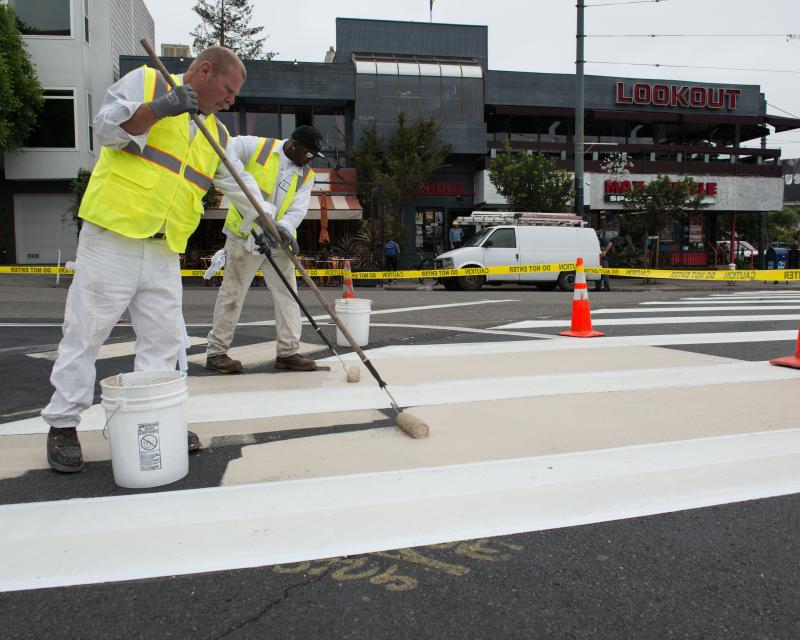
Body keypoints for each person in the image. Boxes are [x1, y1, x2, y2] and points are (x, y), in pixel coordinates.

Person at [42, 47, 277, 474]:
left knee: (164, 341)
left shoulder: (215, 135)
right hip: (112, 237)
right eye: (228, 89)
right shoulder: (148, 83)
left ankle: (151, 417)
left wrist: (272, 224)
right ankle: (62, 423)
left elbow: (240, 183)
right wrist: (159, 109)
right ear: (204, 71)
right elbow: (106, 129)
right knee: (85, 333)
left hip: (163, 247)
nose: (230, 100)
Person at [204, 126, 326, 374]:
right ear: (293, 146)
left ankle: (288, 352)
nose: (309, 160)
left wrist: (284, 228)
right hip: (244, 235)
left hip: (279, 240)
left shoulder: (306, 175)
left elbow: (298, 209)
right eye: (309, 154)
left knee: (289, 295)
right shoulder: (256, 147)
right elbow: (223, 152)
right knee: (232, 293)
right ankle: (217, 353)